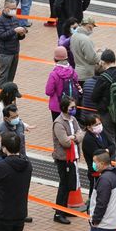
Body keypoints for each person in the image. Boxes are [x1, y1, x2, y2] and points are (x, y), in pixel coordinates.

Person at [51, 95, 83, 224]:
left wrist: (73, 137)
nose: (74, 109)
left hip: (73, 157)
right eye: (72, 107)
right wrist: (75, 137)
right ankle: (59, 213)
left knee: (69, 184)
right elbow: (65, 142)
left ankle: (64, 209)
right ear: (64, 108)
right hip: (63, 159)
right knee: (64, 185)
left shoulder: (73, 119)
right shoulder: (59, 123)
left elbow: (81, 134)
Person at [0, 0, 26, 89]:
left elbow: (18, 37)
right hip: (5, 53)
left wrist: (21, 34)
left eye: (15, 8)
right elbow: (2, 36)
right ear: (6, 8)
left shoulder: (15, 19)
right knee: (3, 77)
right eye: (12, 8)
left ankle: (7, 97)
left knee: (11, 78)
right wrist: (14, 30)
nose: (13, 10)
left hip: (15, 51)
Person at [45, 46, 79, 120]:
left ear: (55, 59)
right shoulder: (72, 71)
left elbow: (48, 91)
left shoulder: (54, 74)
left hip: (57, 106)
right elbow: (76, 82)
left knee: (58, 127)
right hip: (70, 105)